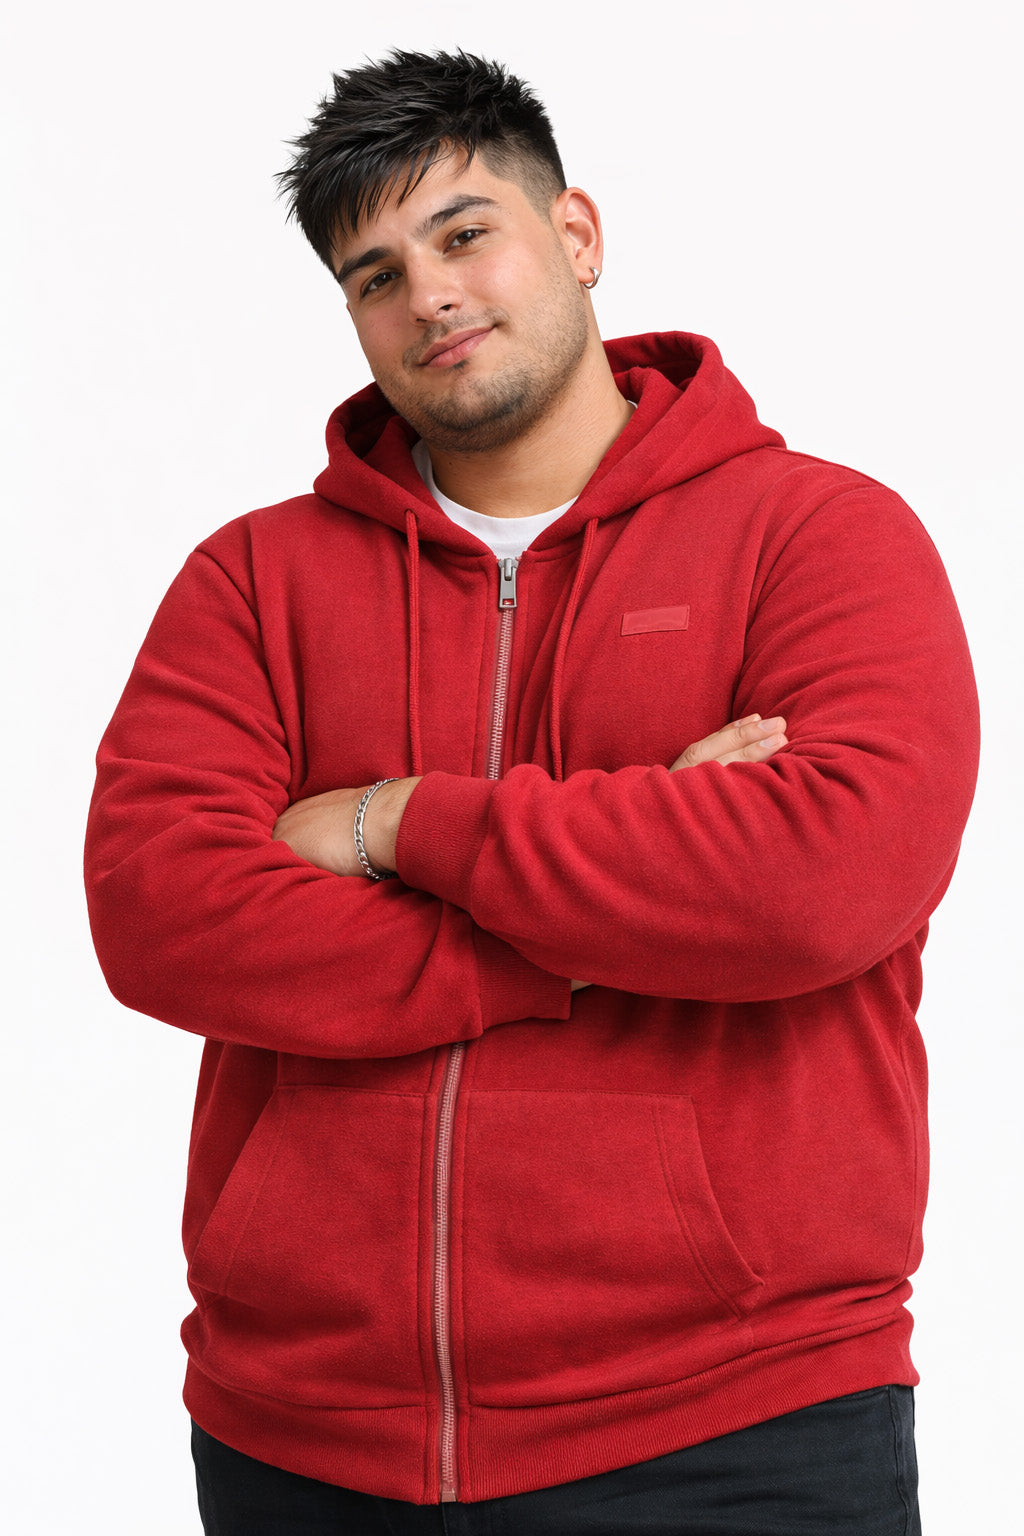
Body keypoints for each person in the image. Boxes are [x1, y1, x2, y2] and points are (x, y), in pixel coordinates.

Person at [84, 48, 978, 1535]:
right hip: (302, 1432)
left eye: (464, 234)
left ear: (575, 233)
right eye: (376, 275)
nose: (429, 296)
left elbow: (822, 882)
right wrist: (615, 900)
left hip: (735, 1420)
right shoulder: (252, 581)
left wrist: (390, 822)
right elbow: (160, 916)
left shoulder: (818, 534)